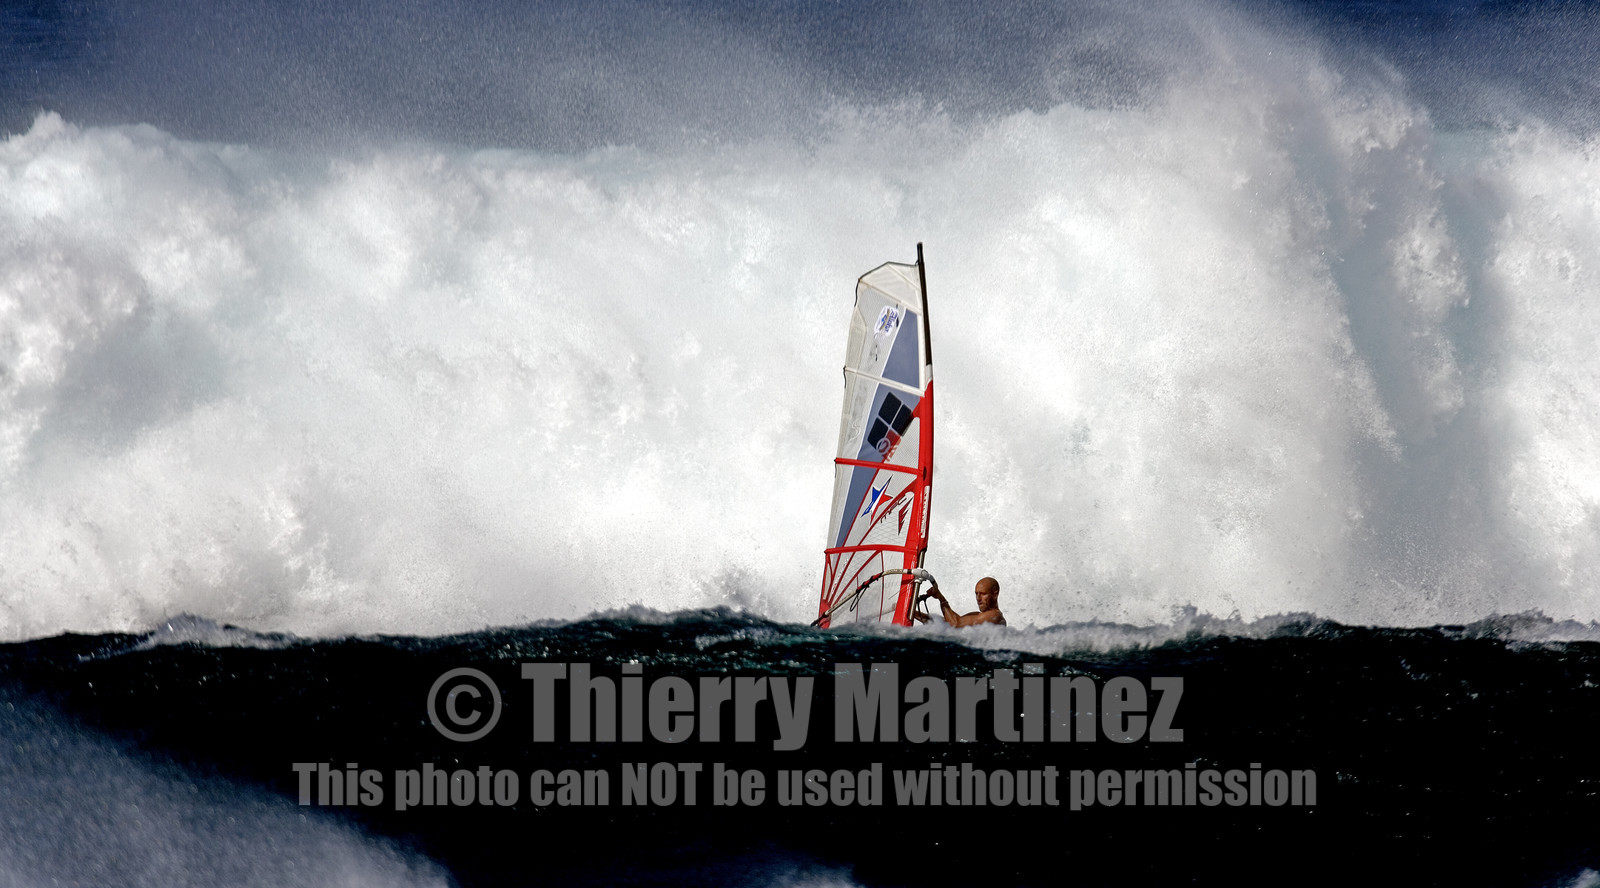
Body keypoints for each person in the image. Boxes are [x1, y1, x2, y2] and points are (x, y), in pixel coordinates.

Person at [911, 573, 1005, 627]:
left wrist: (941, 598)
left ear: (995, 594)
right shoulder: (977, 615)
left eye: (983, 594)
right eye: (976, 594)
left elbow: (955, 625)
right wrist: (912, 612)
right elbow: (946, 624)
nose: (978, 598)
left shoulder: (995, 616)